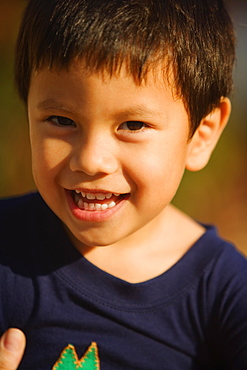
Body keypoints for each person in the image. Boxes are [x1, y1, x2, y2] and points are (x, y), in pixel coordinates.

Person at [0, 0, 247, 368]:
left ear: (200, 136)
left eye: (132, 126)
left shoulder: (225, 295)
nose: (90, 159)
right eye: (61, 120)